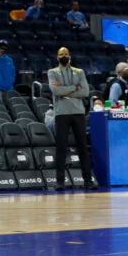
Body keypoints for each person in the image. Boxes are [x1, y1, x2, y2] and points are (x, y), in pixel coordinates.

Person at [46, 47, 98, 191]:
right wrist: (75, 87)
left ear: (70, 56)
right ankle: (60, 181)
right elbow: (55, 91)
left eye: (66, 54)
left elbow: (85, 91)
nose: (63, 56)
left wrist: (65, 91)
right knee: (61, 148)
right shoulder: (52, 72)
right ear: (57, 57)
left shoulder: (79, 72)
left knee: (82, 147)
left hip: (78, 112)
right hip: (61, 113)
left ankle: (88, 180)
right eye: (61, 54)